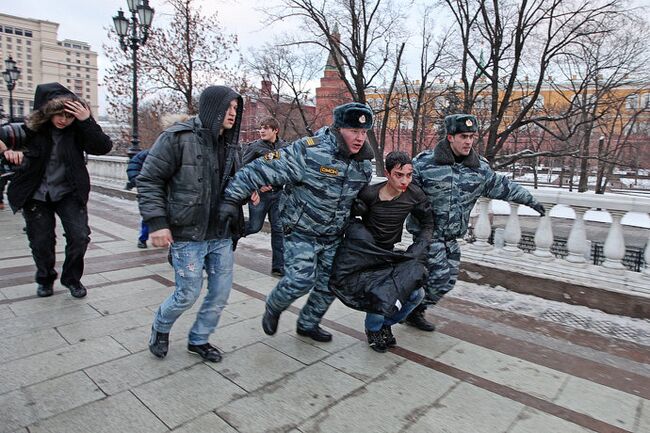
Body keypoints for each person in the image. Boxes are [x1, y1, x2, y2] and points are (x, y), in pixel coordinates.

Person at [218, 102, 375, 342]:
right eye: (354, 131)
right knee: (300, 280)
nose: (360, 138)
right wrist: (231, 198)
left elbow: (359, 193)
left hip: (333, 234)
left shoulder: (363, 164)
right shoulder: (309, 151)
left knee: (329, 285)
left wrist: (360, 205)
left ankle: (308, 323)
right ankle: (274, 305)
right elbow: (259, 170)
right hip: (300, 230)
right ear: (339, 128)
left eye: (364, 132)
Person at [404, 113, 545, 331]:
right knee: (439, 278)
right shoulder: (425, 164)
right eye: (463, 136)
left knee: (448, 281)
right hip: (427, 234)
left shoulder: (479, 168)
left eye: (471, 136)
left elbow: (504, 187)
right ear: (450, 137)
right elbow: (401, 191)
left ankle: (413, 308)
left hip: (451, 236)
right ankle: (404, 307)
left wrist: (532, 201)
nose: (468, 141)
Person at [137, 85, 246, 363]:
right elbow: (149, 180)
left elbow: (233, 182)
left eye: (236, 108)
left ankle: (199, 339)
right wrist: (157, 223)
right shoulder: (177, 138)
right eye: (228, 108)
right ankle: (161, 327)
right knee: (187, 293)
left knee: (220, 293)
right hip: (188, 233)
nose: (233, 114)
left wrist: (250, 190)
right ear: (212, 109)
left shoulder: (232, 145)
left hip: (221, 233)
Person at [4, 82, 112, 298]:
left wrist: (86, 120)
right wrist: (7, 150)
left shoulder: (78, 131)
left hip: (69, 192)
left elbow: (103, 147)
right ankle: (45, 278)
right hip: (35, 193)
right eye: (59, 115)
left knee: (80, 236)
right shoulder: (30, 129)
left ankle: (71, 279)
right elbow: (3, 135)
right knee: (41, 240)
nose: (64, 120)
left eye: (69, 116)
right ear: (48, 112)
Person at [330, 151, 434, 352]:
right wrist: (358, 230)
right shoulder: (369, 194)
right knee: (380, 296)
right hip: (365, 255)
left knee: (416, 294)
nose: (405, 180)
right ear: (387, 173)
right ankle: (374, 330)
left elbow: (428, 223)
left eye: (409, 175)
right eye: (399, 174)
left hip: (389, 253)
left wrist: (419, 247)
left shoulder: (415, 194)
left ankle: (386, 324)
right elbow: (347, 219)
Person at [241, 117, 288, 276]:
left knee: (278, 229)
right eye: (260, 128)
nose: (261, 131)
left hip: (278, 194)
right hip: (260, 195)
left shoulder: (284, 146)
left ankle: (278, 267)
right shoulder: (254, 148)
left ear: (275, 130)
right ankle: (230, 233)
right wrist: (257, 186)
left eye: (266, 128)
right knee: (254, 227)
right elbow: (242, 170)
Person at [125, 148, 150, 248]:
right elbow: (133, 165)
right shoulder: (147, 153)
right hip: (148, 188)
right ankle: (143, 239)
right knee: (148, 214)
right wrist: (137, 181)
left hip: (167, 189)